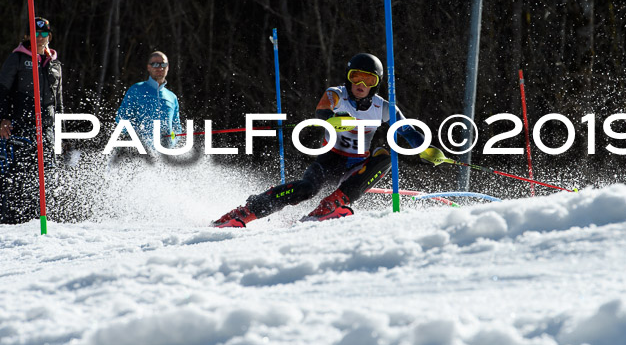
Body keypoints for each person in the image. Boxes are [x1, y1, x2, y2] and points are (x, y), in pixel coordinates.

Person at [213, 52, 440, 228]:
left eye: (368, 79)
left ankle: (330, 205)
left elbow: (406, 130)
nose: (361, 84)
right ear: (348, 78)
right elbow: (322, 111)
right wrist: (335, 118)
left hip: (358, 166)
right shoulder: (337, 94)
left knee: (386, 155)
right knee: (307, 188)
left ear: (376, 83)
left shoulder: (384, 107)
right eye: (356, 77)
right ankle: (244, 213)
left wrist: (426, 150)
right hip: (330, 160)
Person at [0, 17, 63, 224]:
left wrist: (61, 130)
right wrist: (3, 118)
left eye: (43, 34)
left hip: (47, 127)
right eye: (35, 33)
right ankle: (14, 220)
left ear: (49, 36)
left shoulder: (55, 63)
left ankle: (42, 218)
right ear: (27, 36)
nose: (39, 37)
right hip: (22, 123)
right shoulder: (17, 58)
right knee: (20, 173)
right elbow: (3, 91)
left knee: (46, 173)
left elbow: (58, 101)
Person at [116, 51, 183, 150]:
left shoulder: (172, 97)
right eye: (155, 64)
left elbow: (176, 129)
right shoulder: (136, 89)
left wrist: (171, 140)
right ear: (148, 67)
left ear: (168, 67)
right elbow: (121, 118)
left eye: (163, 64)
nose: (160, 68)